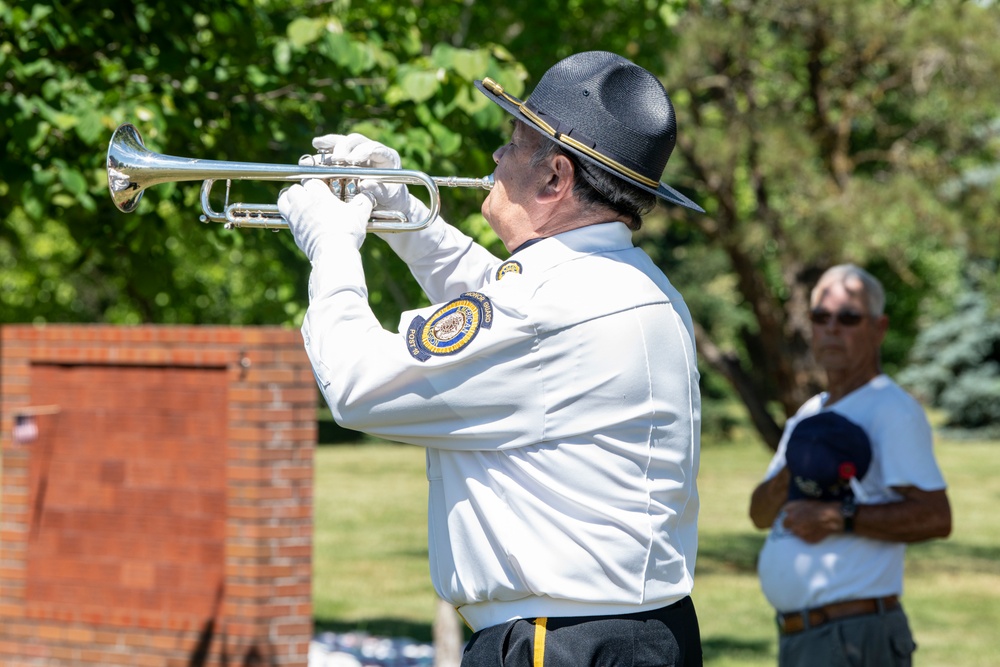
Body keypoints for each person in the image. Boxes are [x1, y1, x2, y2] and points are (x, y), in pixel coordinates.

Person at [278, 51, 705, 666]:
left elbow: (356, 386)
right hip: (628, 632)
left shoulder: (549, 305)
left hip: (555, 643)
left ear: (555, 178)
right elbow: (499, 308)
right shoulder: (634, 284)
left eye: (514, 141)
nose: (498, 158)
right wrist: (404, 214)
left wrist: (330, 249)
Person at [748, 264, 952, 667]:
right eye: (821, 317)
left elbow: (935, 517)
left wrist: (839, 516)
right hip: (802, 636)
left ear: (879, 328)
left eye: (848, 318)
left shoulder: (893, 410)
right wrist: (798, 468)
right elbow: (759, 514)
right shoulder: (809, 414)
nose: (832, 328)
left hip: (854, 636)